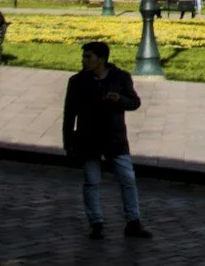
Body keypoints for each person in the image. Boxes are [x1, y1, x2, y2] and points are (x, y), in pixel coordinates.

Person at [62, 41, 149, 240]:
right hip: (88, 138)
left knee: (127, 179)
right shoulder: (77, 81)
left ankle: (133, 222)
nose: (84, 60)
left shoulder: (121, 77)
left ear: (101, 59)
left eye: (88, 56)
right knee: (91, 182)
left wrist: (119, 99)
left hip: (114, 138)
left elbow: (134, 102)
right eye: (84, 56)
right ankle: (96, 223)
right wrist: (68, 142)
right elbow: (69, 114)